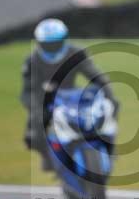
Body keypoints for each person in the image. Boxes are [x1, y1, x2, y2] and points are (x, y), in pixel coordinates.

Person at [21, 18, 118, 170]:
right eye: (48, 44)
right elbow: (29, 90)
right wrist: (37, 106)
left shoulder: (75, 53)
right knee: (35, 129)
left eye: (56, 43)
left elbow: (94, 74)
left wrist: (107, 93)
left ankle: (108, 148)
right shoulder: (32, 61)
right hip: (43, 96)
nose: (53, 47)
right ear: (40, 43)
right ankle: (47, 156)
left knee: (110, 107)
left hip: (71, 94)